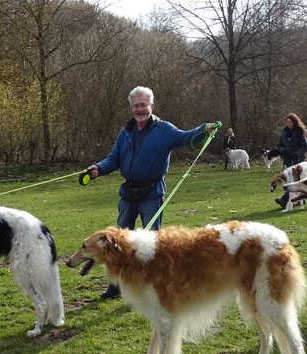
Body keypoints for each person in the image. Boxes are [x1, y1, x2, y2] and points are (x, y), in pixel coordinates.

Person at [86, 86, 214, 299]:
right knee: (117, 243)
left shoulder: (164, 130)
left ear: (151, 106)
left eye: (143, 105)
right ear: (131, 108)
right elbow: (114, 158)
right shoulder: (126, 132)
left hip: (152, 194)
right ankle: (116, 285)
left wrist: (204, 130)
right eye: (135, 105)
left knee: (151, 243)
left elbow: (186, 137)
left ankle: (149, 285)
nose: (139, 109)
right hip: (128, 194)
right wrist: (99, 169)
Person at [274, 113, 307, 210]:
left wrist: (296, 153)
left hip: (298, 160)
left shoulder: (300, 132)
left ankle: (285, 200)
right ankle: (300, 199)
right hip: (288, 159)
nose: (288, 124)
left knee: (296, 181)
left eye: (290, 122)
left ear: (294, 122)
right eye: (287, 122)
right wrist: (283, 150)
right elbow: (279, 145)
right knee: (291, 180)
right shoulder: (284, 132)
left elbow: (305, 146)